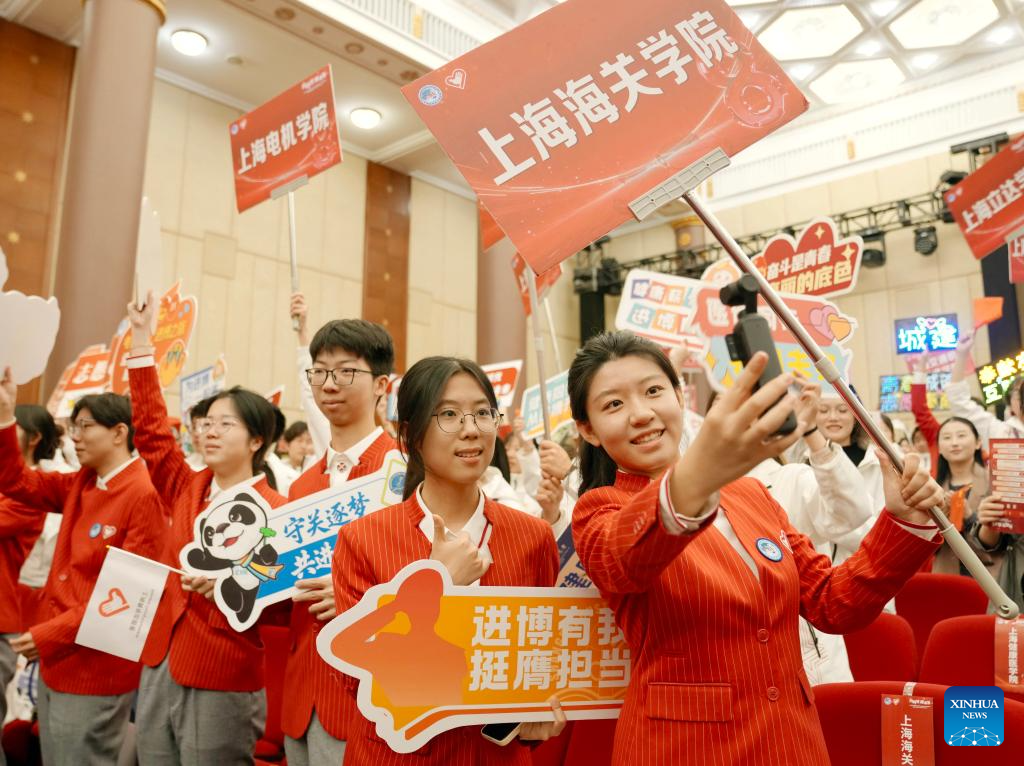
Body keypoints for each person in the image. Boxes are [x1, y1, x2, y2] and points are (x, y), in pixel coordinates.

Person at [568, 332, 944, 765]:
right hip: (684, 750)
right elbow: (626, 557)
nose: (641, 414)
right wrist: (700, 474)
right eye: (614, 404)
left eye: (653, 391)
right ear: (588, 430)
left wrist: (902, 520)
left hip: (792, 742)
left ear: (679, 395)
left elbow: (833, 602)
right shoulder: (600, 510)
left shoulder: (750, 494)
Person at [333, 356, 565, 764]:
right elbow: (358, 679)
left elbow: (540, 655)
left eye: (482, 413)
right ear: (412, 435)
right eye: (449, 414)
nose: (471, 429)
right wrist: (438, 582)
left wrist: (534, 717)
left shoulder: (533, 537)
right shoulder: (364, 539)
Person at [125, 292, 286, 766]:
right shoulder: (186, 484)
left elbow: (285, 600)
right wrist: (141, 339)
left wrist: (231, 585)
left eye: (225, 424)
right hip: (161, 661)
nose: (210, 432)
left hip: (221, 672)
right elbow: (152, 432)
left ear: (256, 440)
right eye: (206, 423)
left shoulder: (277, 513)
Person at [0, 371, 165, 766]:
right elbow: (16, 481)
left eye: (86, 426)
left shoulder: (143, 493)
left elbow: (124, 597)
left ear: (119, 432)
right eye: (74, 426)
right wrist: (6, 414)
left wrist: (49, 634)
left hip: (95, 669)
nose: (75, 436)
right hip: (58, 660)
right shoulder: (84, 482)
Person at [281, 318, 398, 766]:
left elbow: (431, 580)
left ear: (381, 385)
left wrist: (354, 596)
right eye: (320, 371)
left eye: (347, 371)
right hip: (301, 696)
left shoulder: (404, 474)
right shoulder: (302, 486)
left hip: (365, 696)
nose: (329, 384)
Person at [813, 392, 885, 563]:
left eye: (842, 410)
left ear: (856, 417)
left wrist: (828, 525)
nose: (833, 417)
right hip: (812, 569)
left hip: (866, 566)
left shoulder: (878, 462)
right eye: (823, 410)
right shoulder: (801, 462)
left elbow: (882, 531)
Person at [947, 330, 1024, 447]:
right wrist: (962, 355)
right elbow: (959, 402)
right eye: (1020, 395)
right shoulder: (1001, 432)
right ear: (1010, 406)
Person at [266, 421, 315, 497]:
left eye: (309, 441)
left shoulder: (316, 472)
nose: (304, 446)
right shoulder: (276, 468)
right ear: (287, 445)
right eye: (300, 440)